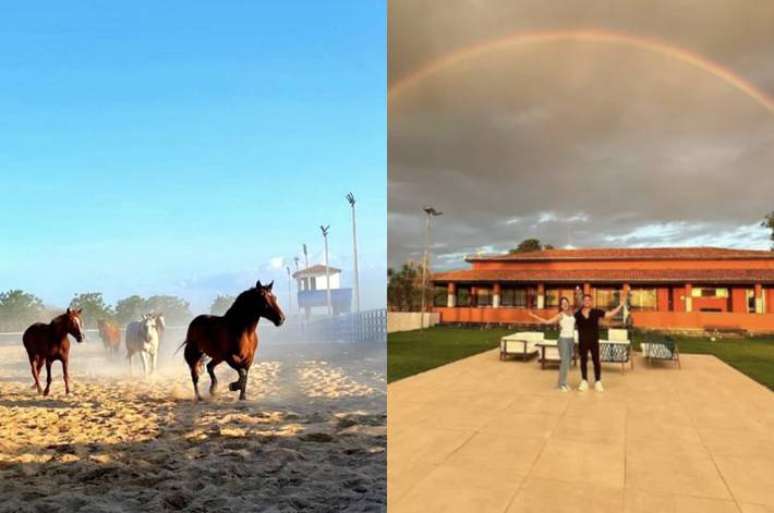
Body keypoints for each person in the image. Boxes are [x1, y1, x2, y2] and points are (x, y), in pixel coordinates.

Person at [574, 292, 627, 392]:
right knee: (583, 362)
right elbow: (568, 320)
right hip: (582, 342)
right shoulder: (577, 314)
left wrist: (620, 305)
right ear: (583, 302)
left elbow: (610, 314)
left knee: (596, 362)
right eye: (585, 300)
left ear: (591, 302)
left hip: (594, 341)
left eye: (588, 300)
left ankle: (598, 382)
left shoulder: (596, 311)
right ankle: (584, 381)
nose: (587, 301)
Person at [528, 296, 577, 392]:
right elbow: (547, 322)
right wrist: (535, 316)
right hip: (563, 340)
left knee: (567, 363)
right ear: (561, 306)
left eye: (566, 302)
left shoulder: (572, 314)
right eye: (562, 303)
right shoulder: (560, 315)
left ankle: (564, 382)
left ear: (568, 303)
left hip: (571, 340)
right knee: (564, 362)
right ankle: (561, 384)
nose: (564, 304)